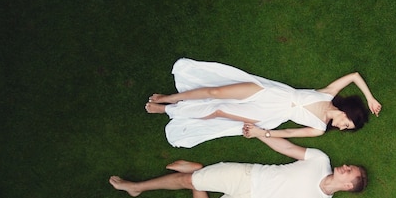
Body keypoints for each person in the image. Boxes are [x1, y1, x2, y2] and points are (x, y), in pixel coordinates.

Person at [109, 124, 368, 198]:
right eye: (348, 166)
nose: (344, 166)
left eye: (349, 171)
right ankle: (136, 187)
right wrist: (260, 133)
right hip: (247, 175)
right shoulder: (320, 160)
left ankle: (200, 174)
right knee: (188, 180)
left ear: (347, 186)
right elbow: (287, 149)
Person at [145, 58, 382, 148]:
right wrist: (370, 98)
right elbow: (353, 76)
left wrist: (263, 133)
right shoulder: (327, 94)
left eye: (346, 129)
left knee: (218, 111)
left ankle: (166, 109)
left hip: (269, 116)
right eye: (347, 124)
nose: (342, 128)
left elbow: (289, 131)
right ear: (348, 113)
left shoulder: (319, 129)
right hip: (270, 94)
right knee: (216, 91)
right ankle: (168, 97)